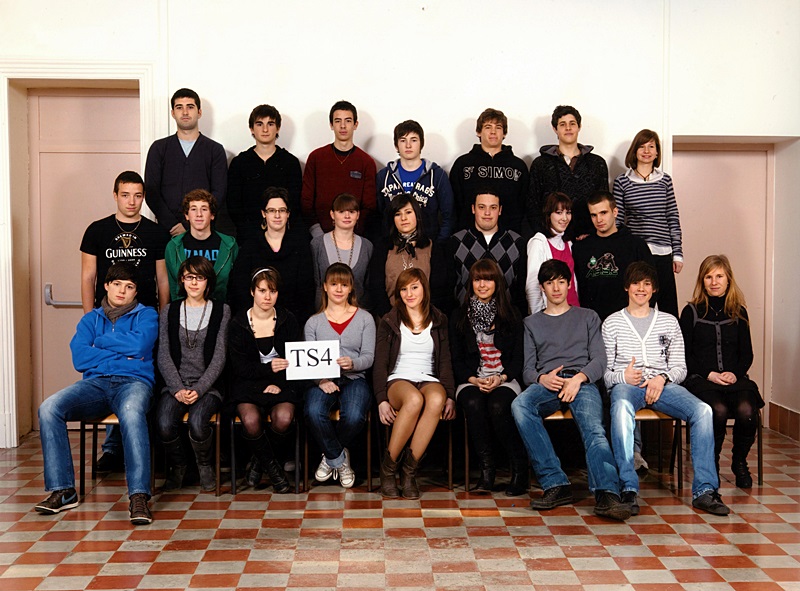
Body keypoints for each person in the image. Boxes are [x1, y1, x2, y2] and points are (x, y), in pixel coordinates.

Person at [603, 261, 731, 516]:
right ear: (627, 287)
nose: (641, 289)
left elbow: (680, 368)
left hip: (664, 386)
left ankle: (704, 491)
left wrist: (661, 378)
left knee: (703, 411)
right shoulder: (612, 323)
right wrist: (623, 376)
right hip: (628, 387)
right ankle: (627, 488)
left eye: (647, 284)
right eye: (636, 283)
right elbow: (605, 375)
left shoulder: (669, 322)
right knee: (620, 409)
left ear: (654, 289)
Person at [36, 262, 158, 524]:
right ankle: (64, 490)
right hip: (96, 385)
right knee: (49, 408)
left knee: (131, 412)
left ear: (136, 291)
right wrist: (122, 355)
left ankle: (138, 496)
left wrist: (100, 343)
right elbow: (80, 358)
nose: (122, 291)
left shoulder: (147, 315)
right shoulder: (90, 319)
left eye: (129, 286)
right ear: (106, 286)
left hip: (134, 383)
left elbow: (139, 345)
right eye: (117, 284)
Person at [510, 260, 630, 521]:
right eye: (550, 283)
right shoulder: (531, 323)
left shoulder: (588, 316)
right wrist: (542, 378)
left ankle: (607, 493)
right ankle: (555, 483)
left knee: (593, 429)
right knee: (520, 405)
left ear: (569, 285)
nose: (556, 288)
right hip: (549, 383)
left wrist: (579, 378)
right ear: (542, 288)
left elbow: (599, 360)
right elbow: (527, 369)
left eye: (561, 282)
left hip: (581, 382)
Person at [79, 170, 169, 473]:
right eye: (126, 195)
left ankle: (148, 450)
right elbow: (88, 277)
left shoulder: (156, 233)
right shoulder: (97, 230)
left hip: (143, 317)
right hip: (107, 316)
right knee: (107, 374)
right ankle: (112, 450)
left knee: (140, 380)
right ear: (115, 195)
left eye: (138, 195)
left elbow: (162, 279)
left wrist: (164, 317)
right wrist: (89, 317)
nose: (132, 201)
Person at [680, 254, 763, 488]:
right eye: (708, 277)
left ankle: (739, 462)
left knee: (747, 410)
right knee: (717, 410)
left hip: (734, 379)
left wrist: (734, 373)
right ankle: (712, 463)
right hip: (701, 379)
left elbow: (747, 354)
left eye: (719, 276)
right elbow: (684, 354)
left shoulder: (739, 312)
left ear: (728, 279)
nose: (714, 282)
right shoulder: (691, 311)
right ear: (702, 281)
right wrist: (709, 374)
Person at [374, 268, 456, 499]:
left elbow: (445, 361)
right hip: (399, 379)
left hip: (429, 378)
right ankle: (388, 470)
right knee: (413, 399)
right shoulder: (389, 321)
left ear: (424, 289)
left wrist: (450, 395)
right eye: (403, 289)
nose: (409, 294)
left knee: (436, 399)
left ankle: (409, 472)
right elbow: (380, 363)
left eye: (414, 287)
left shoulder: (439, 319)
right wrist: (381, 399)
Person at [450, 259, 528, 495]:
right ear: (471, 283)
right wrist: (474, 380)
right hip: (471, 379)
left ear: (497, 283)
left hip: (504, 378)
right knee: (473, 403)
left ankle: (519, 469)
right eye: (477, 279)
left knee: (497, 405)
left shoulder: (511, 314)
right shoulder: (459, 316)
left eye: (488, 279)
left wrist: (501, 378)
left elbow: (518, 359)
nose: (482, 285)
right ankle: (487, 471)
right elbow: (456, 360)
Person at [156, 257, 230, 492]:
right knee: (164, 423)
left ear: (208, 282)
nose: (194, 283)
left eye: (200, 277)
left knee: (198, 423)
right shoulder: (169, 311)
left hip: (209, 387)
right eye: (189, 277)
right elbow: (163, 355)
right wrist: (177, 388)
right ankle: (179, 466)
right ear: (181, 280)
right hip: (176, 385)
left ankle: (204, 466)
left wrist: (199, 389)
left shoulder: (221, 310)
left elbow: (220, 357)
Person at [227, 267, 300, 493]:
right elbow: (239, 368)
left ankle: (259, 463)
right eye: (262, 291)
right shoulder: (238, 323)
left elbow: (296, 362)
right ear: (252, 292)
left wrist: (277, 384)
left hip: (282, 385)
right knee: (250, 420)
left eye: (273, 291)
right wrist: (267, 375)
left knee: (284, 418)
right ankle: (275, 473)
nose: (267, 297)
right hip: (248, 385)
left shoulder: (288, 320)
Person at [304, 263, 376, 488]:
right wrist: (321, 380)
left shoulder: (365, 318)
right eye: (334, 284)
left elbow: (369, 356)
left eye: (344, 285)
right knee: (313, 411)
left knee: (354, 415)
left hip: (355, 378)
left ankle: (330, 458)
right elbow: (308, 361)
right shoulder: (313, 322)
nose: (338, 289)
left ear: (351, 288)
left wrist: (353, 363)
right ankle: (339, 459)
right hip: (324, 380)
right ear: (325, 287)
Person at [613, 129, 683, 317]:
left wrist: (678, 254)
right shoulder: (622, 182)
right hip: (637, 253)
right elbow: (618, 220)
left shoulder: (665, 180)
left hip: (663, 252)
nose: (646, 151)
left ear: (657, 152)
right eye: (642, 146)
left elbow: (672, 216)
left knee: (668, 309)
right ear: (634, 150)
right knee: (638, 307)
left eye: (651, 146)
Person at [145, 88, 227, 236]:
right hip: (166, 230)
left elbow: (219, 192)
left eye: (190, 107)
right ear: (172, 113)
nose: (184, 112)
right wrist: (172, 224)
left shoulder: (215, 150)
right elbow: (152, 192)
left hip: (203, 230)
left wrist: (189, 224)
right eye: (179, 107)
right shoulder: (159, 148)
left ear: (199, 112)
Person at [228, 187, 314, 322]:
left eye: (282, 210)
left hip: (292, 321)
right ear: (264, 213)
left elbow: (306, 292)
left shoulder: (301, 246)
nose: (277, 216)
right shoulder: (250, 246)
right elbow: (240, 289)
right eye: (272, 210)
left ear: (288, 214)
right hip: (255, 321)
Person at [528, 105, 609, 238]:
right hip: (552, 239)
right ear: (555, 129)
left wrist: (594, 235)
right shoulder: (541, 164)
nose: (568, 128)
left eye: (572, 123)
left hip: (589, 238)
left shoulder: (597, 163)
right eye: (562, 124)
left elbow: (603, 205)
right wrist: (546, 235)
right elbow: (533, 205)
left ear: (579, 127)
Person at [227, 104, 303, 244]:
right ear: (251, 128)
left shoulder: (290, 163)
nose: (265, 129)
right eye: (259, 124)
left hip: (283, 237)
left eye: (270, 124)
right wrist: (249, 231)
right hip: (248, 237)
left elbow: (295, 203)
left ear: (278, 128)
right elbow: (233, 204)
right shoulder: (240, 163)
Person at [572, 191, 654, 321]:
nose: (599, 220)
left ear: (615, 212)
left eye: (603, 213)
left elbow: (652, 284)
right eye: (594, 215)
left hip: (629, 321)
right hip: (592, 322)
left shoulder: (636, 245)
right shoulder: (580, 248)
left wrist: (641, 317)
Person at [301, 100, 376, 238]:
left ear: (355, 124)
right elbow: (306, 202)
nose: (343, 126)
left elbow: (369, 206)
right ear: (331, 125)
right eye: (337, 121)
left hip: (354, 237)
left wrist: (352, 236)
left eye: (348, 121)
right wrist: (317, 234)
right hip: (319, 235)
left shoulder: (366, 162)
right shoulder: (316, 158)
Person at [447, 189, 527, 314]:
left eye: (493, 207)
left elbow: (521, 291)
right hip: (465, 320)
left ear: (500, 210)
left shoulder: (516, 242)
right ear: (473, 209)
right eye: (481, 207)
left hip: (506, 320)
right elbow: (448, 289)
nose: (487, 213)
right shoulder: (456, 242)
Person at [449, 108, 529, 233]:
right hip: (468, 236)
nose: (493, 132)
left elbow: (525, 205)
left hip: (510, 236)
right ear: (478, 132)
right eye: (487, 127)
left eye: (498, 127)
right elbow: (453, 206)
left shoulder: (518, 167)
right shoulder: (463, 165)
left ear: (504, 133)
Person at [368, 193, 447, 316]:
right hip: (389, 318)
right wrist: (390, 318)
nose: (403, 218)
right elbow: (376, 287)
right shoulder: (383, 247)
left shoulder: (432, 247)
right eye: (398, 214)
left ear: (417, 215)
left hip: (426, 318)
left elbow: (440, 289)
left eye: (408, 212)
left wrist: (424, 317)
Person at [376, 120, 454, 243]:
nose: (408, 145)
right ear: (396, 145)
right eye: (403, 140)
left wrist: (438, 245)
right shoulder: (384, 176)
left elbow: (448, 216)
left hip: (428, 244)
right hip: (392, 245)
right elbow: (378, 215)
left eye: (413, 140)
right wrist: (384, 244)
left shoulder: (437, 176)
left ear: (421, 143)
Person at [164, 189, 238, 301]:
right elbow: (174, 288)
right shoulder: (173, 247)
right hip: (184, 308)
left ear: (212, 215)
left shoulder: (229, 245)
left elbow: (235, 286)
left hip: (221, 307)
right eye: (193, 209)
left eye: (204, 209)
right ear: (186, 215)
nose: (199, 214)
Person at [310, 193, 373, 309]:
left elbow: (367, 288)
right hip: (324, 313)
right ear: (332, 214)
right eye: (341, 211)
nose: (347, 216)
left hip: (358, 314)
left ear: (358, 215)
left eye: (352, 212)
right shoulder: (317, 244)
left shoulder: (367, 246)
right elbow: (316, 286)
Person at [525, 192, 578, 314]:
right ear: (548, 215)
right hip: (551, 314)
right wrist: (538, 318)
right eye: (559, 213)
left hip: (574, 309)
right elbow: (532, 286)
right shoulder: (538, 242)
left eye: (568, 213)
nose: (565, 218)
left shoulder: (568, 243)